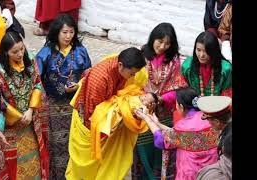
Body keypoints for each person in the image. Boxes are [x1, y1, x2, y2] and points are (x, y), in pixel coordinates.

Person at [66, 47, 147, 179]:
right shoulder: (100, 79)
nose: (132, 77)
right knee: (86, 167)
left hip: (106, 119)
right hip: (90, 124)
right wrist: (116, 120)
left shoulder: (121, 68)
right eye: (131, 74)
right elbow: (92, 115)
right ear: (120, 65)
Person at [35, 13, 91, 179]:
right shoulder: (45, 53)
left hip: (75, 105)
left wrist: (80, 85)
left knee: (75, 143)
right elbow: (36, 79)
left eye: (71, 32)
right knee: (56, 143)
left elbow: (88, 74)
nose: (68, 36)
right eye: (64, 32)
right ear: (56, 33)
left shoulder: (81, 51)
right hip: (54, 106)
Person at [131, 22, 188, 180]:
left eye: (167, 43)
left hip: (163, 114)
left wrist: (158, 98)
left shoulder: (174, 61)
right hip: (142, 110)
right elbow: (132, 81)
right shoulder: (141, 54)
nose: (163, 46)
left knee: (161, 148)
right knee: (142, 149)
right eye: (160, 41)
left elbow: (178, 89)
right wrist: (144, 98)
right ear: (153, 38)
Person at [0, 31, 49, 179]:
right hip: (11, 125)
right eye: (15, 52)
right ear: (5, 52)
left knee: (35, 161)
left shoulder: (30, 61)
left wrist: (31, 110)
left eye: (21, 49)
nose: (20, 54)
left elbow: (37, 83)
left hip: (30, 122)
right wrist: (18, 115)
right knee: (14, 166)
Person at [135, 87, 219, 180]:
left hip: (191, 174)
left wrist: (147, 119)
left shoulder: (183, 126)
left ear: (181, 107)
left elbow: (162, 141)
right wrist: (158, 124)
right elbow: (179, 137)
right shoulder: (210, 120)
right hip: (212, 173)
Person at [182, 31, 232, 97]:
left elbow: (228, 94)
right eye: (198, 50)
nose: (201, 55)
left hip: (219, 105)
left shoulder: (226, 69)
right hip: (193, 105)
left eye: (206, 51)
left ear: (214, 51)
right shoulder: (187, 66)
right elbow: (183, 91)